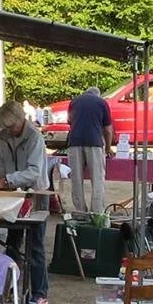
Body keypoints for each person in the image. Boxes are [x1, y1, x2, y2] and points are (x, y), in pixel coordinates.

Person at [0, 109, 52, 304]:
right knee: (12, 243)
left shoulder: (35, 138)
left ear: (21, 121)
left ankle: (39, 293)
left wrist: (8, 180)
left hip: (36, 194)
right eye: (6, 128)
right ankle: (8, 288)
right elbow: (2, 162)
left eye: (12, 127)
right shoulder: (4, 135)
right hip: (13, 194)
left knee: (35, 246)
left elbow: (34, 172)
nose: (9, 132)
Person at [64, 85, 114, 216]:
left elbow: (69, 121)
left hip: (74, 142)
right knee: (97, 179)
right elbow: (108, 130)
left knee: (76, 179)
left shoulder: (74, 101)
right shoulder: (102, 103)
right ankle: (96, 212)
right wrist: (108, 148)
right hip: (94, 142)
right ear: (97, 95)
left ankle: (80, 211)